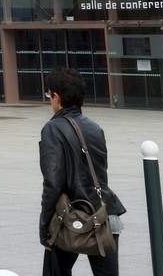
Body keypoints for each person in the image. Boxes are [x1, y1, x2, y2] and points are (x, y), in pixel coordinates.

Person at [39, 67, 125, 275]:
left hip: (69, 218)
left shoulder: (53, 128)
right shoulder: (94, 127)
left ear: (56, 96)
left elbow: (53, 182)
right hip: (103, 215)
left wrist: (45, 227)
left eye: (50, 96)